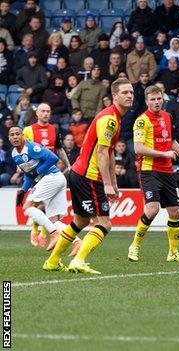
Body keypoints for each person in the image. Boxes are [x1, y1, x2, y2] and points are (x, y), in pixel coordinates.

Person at [44, 78, 134, 274]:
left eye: (132, 92)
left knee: (81, 221)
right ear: (114, 96)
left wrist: (114, 183)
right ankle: (79, 260)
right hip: (89, 176)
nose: (130, 95)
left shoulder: (115, 118)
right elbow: (102, 152)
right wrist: (107, 184)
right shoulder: (110, 119)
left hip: (80, 173)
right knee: (104, 223)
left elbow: (109, 153)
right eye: (125, 92)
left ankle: (52, 261)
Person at [128, 85, 179, 263]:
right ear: (147, 101)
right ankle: (134, 246)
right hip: (149, 170)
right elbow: (138, 148)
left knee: (175, 211)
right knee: (153, 209)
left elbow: (172, 142)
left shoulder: (167, 117)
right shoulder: (142, 121)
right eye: (153, 99)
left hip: (167, 171)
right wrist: (163, 154)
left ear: (163, 99)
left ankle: (173, 252)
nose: (156, 102)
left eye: (159, 99)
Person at [10, 127, 76, 255]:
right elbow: (29, 175)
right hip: (56, 179)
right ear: (9, 138)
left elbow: (53, 158)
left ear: (23, 136)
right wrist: (23, 190)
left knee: (27, 208)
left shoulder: (31, 147)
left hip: (51, 177)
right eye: (12, 135)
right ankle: (77, 242)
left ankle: (53, 233)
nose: (15, 137)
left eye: (17, 134)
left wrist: (37, 171)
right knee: (54, 220)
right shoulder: (14, 154)